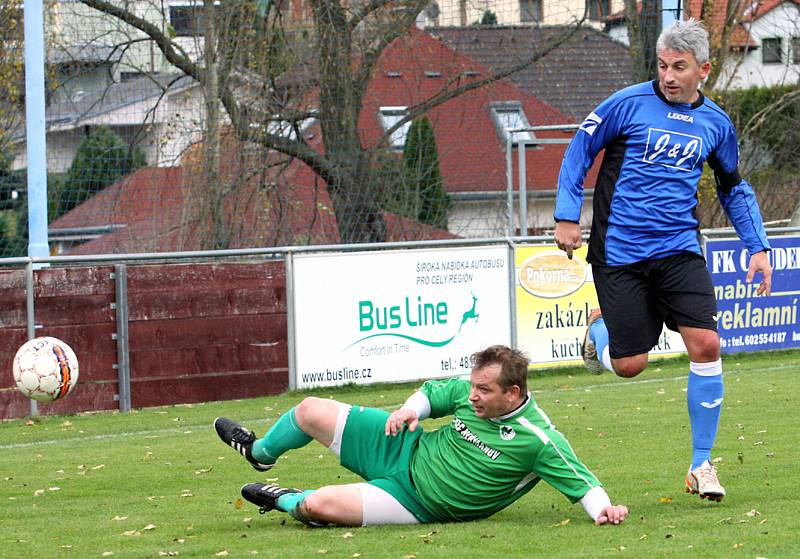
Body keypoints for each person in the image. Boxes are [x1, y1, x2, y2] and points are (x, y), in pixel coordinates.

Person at [553, 19, 772, 503]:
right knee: (630, 365)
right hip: (621, 253)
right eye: (663, 65)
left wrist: (757, 247)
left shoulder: (715, 123)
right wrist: (567, 215)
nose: (669, 76)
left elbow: (735, 187)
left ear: (704, 70)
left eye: (680, 67)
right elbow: (578, 150)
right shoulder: (627, 104)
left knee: (707, 343)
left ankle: (701, 465)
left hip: (679, 249)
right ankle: (598, 330)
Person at [214, 345, 629, 527]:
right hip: (402, 445)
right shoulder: (471, 393)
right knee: (308, 410)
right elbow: (433, 392)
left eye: (484, 390)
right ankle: (260, 452)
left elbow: (583, 484)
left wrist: (603, 510)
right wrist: (410, 409)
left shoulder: (538, 440)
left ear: (513, 393)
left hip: (415, 503)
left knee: (317, 504)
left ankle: (281, 497)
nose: (473, 396)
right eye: (473, 387)